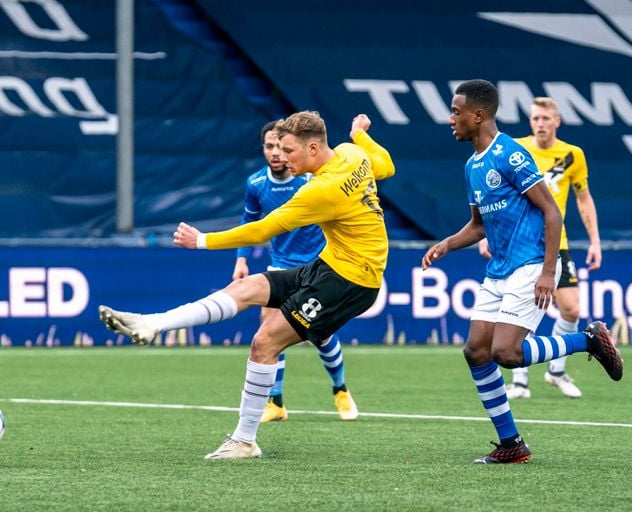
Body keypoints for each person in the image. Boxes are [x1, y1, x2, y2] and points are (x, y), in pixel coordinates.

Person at [100, 110, 395, 459]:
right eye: (278, 149)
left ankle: (244, 440)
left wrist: (202, 241)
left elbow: (261, 230)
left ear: (313, 148)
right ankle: (153, 323)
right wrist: (360, 134)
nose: (282, 157)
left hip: (352, 282)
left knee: (264, 342)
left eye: (288, 150)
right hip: (332, 264)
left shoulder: (321, 190)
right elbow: (386, 165)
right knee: (248, 287)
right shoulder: (351, 152)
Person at [422, 79, 622, 464]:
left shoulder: (510, 155)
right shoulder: (472, 165)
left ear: (478, 116)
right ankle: (511, 444)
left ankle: (588, 341)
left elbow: (552, 211)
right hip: (499, 269)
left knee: (507, 353)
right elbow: (478, 225)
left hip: (531, 263)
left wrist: (549, 271)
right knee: (476, 351)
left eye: (456, 111)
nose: (451, 119)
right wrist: (447, 243)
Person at [234, 120, 358, 424]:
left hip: (319, 263)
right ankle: (275, 403)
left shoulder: (309, 179)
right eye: (269, 146)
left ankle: (340, 390)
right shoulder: (256, 184)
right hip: (281, 263)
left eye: (280, 146)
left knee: (322, 333)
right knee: (269, 327)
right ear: (263, 149)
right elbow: (250, 223)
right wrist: (241, 260)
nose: (275, 153)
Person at [478, 97, 602, 399]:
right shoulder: (515, 149)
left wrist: (595, 240)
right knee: (522, 312)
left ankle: (555, 371)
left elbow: (583, 199)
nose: (541, 124)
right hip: (520, 245)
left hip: (557, 243)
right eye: (536, 119)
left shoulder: (573, 155)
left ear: (557, 121)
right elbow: (495, 194)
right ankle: (519, 382)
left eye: (546, 118)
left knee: (571, 308)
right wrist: (486, 233)